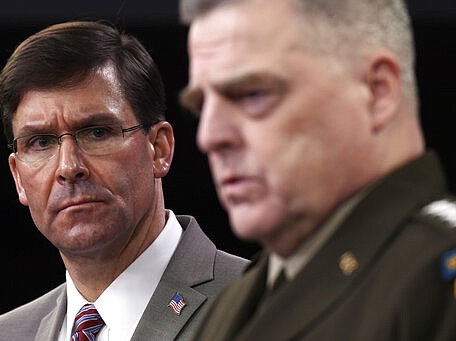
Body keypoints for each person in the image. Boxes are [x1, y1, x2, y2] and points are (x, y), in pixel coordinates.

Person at [178, 0, 456, 340]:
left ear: (377, 92)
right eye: (202, 106)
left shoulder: (438, 279)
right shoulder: (234, 302)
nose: (209, 137)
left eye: (251, 94)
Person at [0, 20, 248, 341]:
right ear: (18, 177)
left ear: (159, 149)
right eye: (41, 142)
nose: (68, 167)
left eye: (98, 132)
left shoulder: (267, 307)